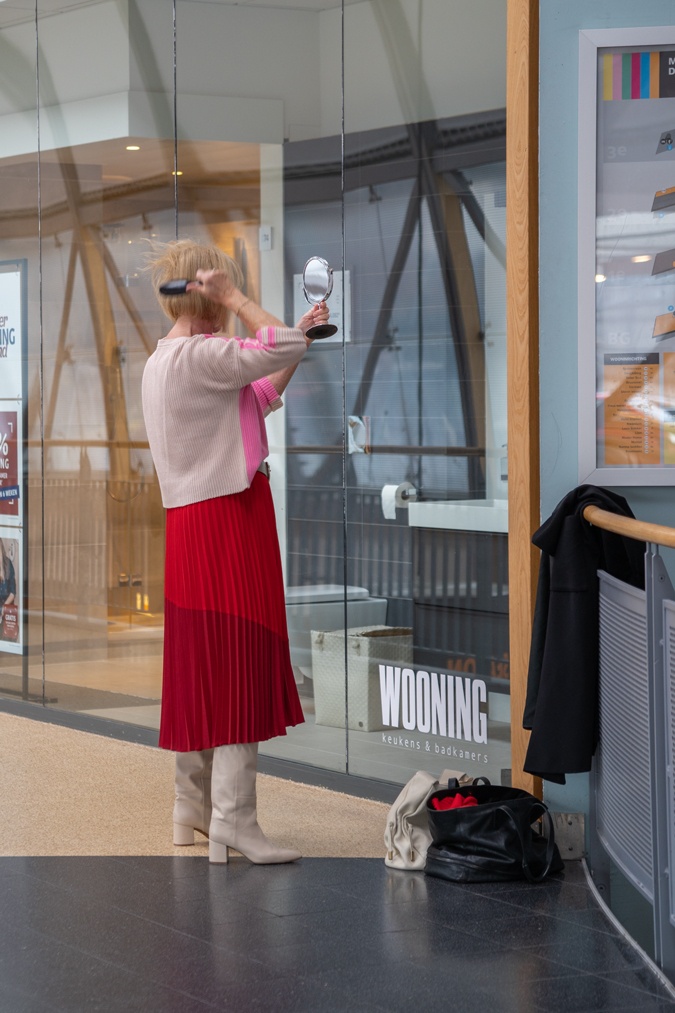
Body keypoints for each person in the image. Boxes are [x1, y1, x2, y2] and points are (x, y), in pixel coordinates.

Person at [141, 239, 329, 864]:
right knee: (239, 664)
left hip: (191, 529)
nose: (229, 304)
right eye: (222, 292)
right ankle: (234, 820)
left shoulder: (165, 361)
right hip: (229, 521)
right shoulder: (202, 357)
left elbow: (260, 394)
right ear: (206, 293)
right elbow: (273, 345)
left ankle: (189, 808)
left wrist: (299, 335)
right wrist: (241, 300)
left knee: (202, 668)